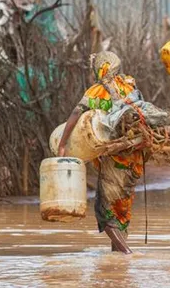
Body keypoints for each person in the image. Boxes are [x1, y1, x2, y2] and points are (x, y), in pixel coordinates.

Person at [57, 51, 144, 254]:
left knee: (103, 212)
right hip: (133, 158)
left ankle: (126, 253)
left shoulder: (97, 91)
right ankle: (117, 263)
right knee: (121, 209)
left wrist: (62, 143)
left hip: (113, 159)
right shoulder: (130, 87)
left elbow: (76, 113)